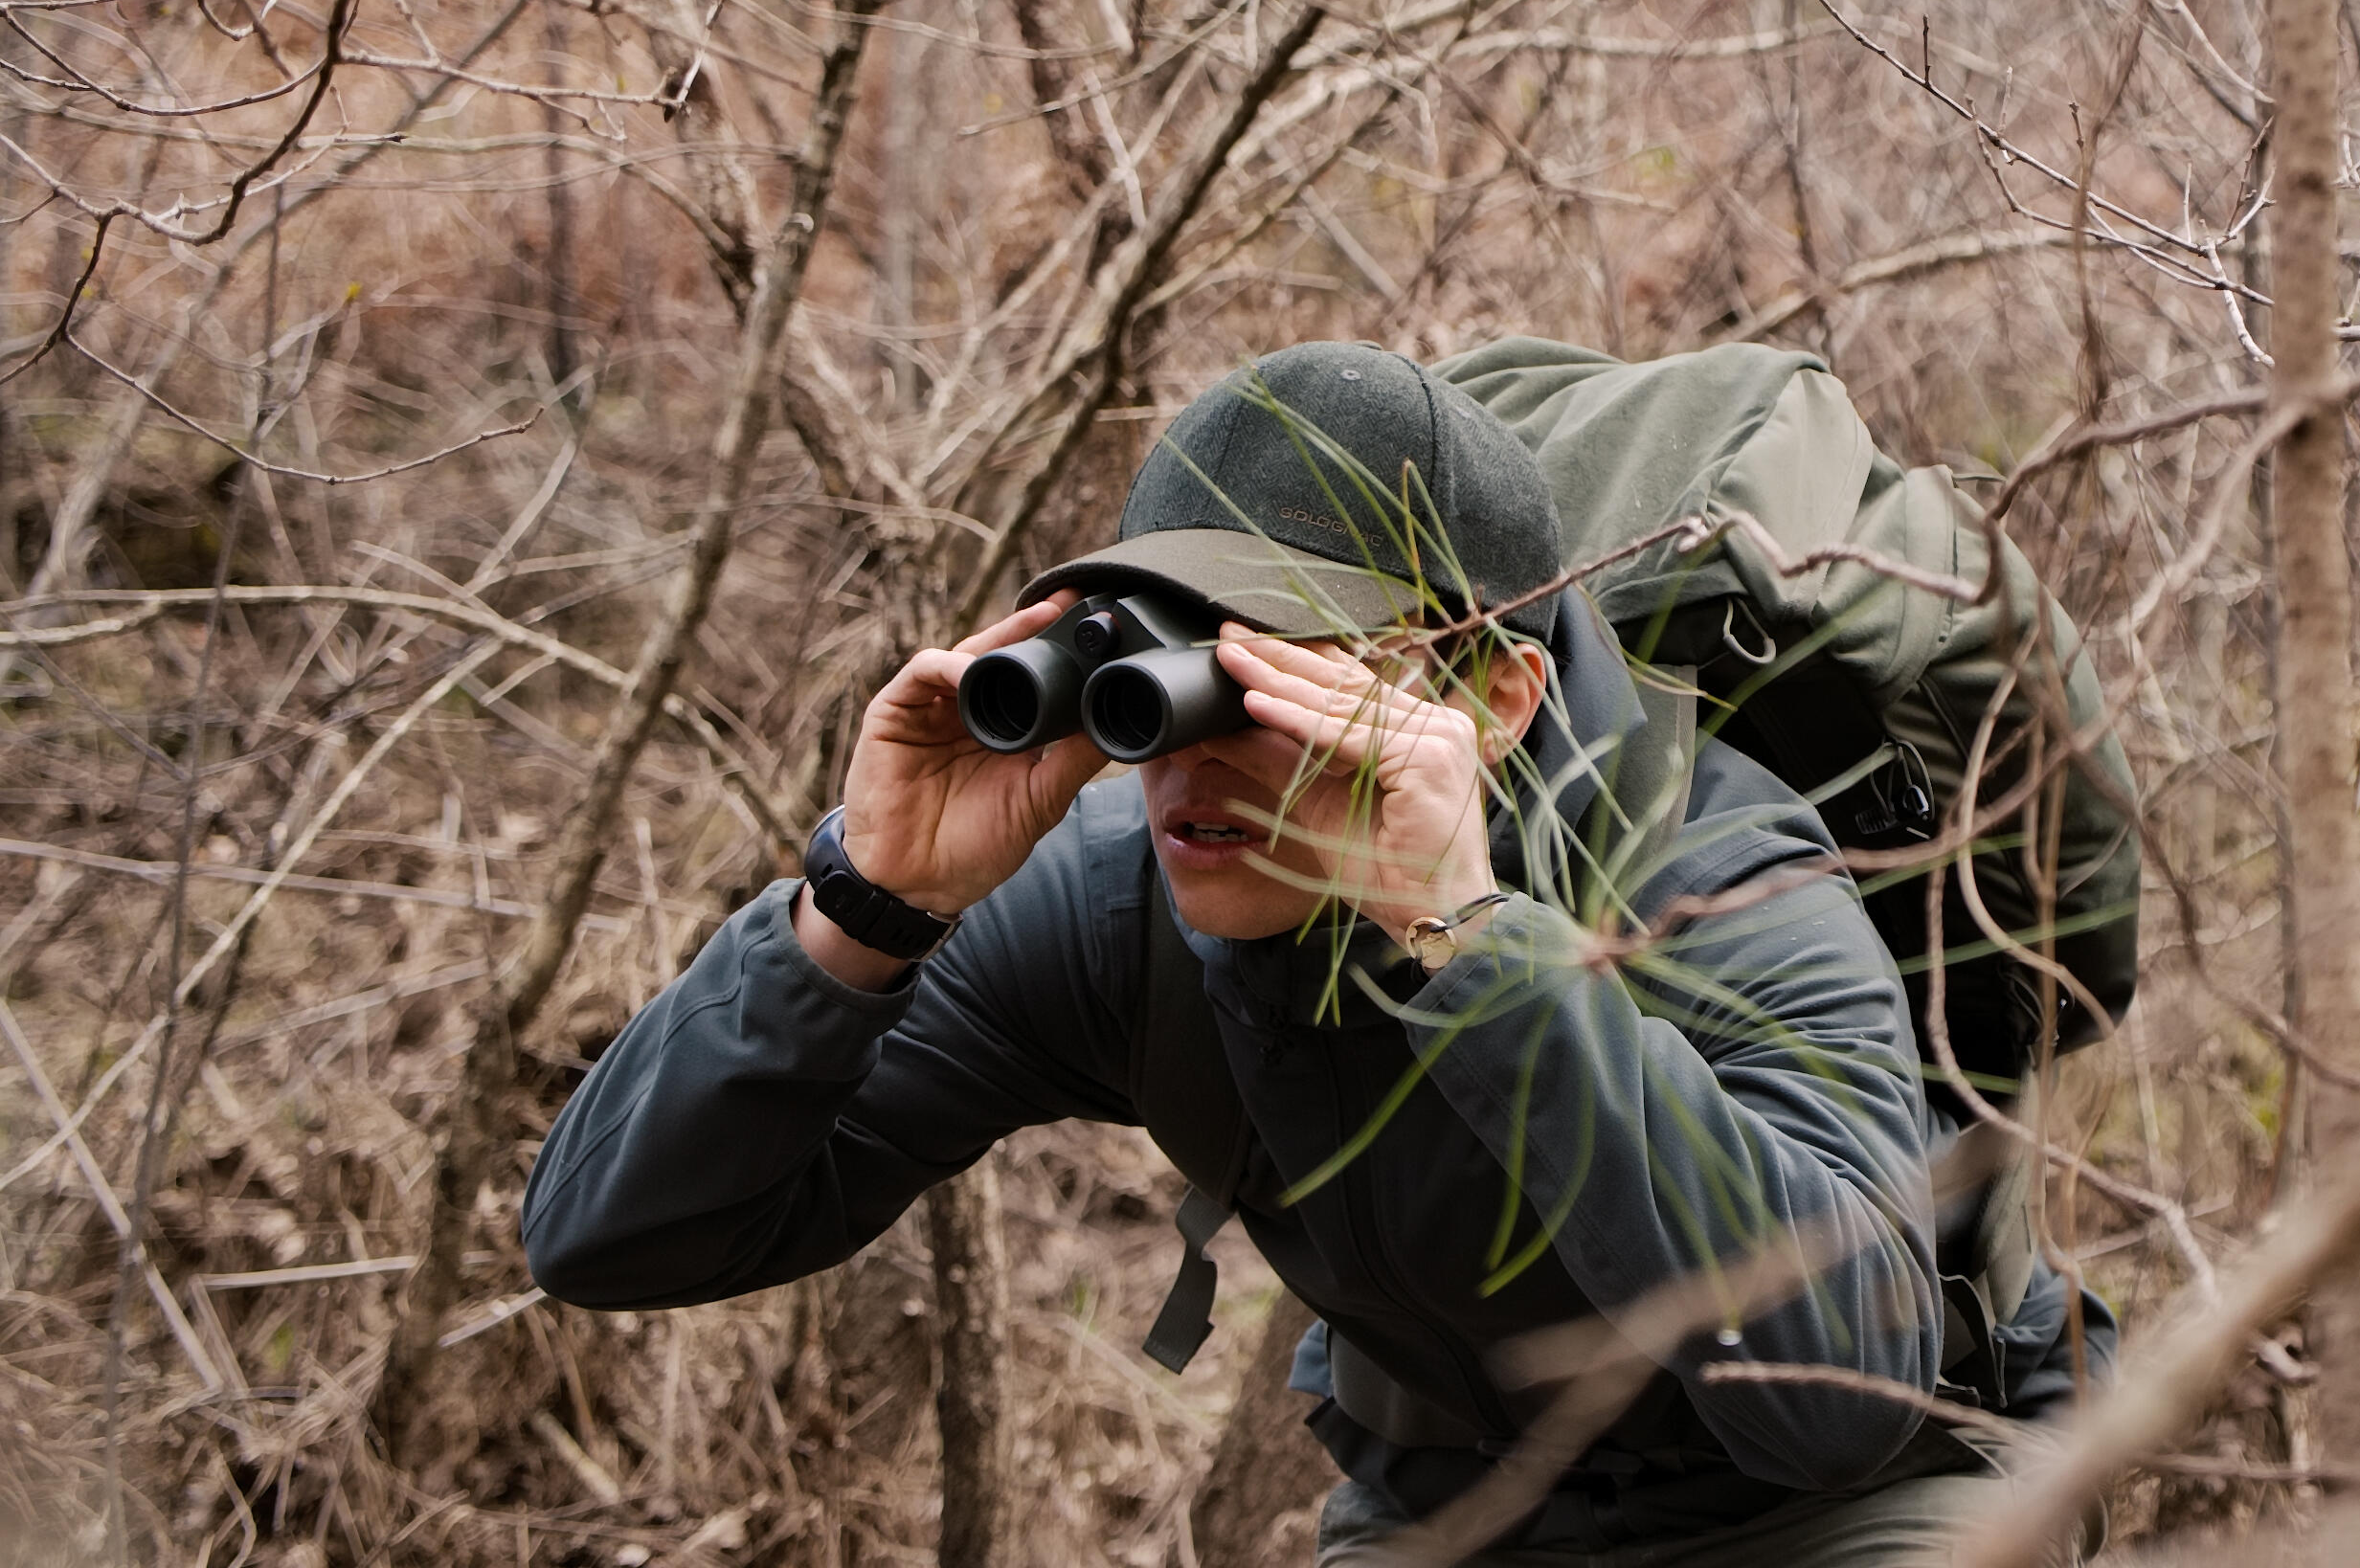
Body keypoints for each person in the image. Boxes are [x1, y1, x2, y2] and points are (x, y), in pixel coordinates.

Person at [521, 341, 2104, 1565]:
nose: (1193, 764)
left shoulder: (1724, 877)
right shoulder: (1110, 897)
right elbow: (612, 1241)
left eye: (1276, 688)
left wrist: (1474, 943)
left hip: (1856, 1506)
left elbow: (1837, 1405)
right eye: (1158, 679)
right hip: (1455, 1508)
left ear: (1488, 698)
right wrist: (862, 912)